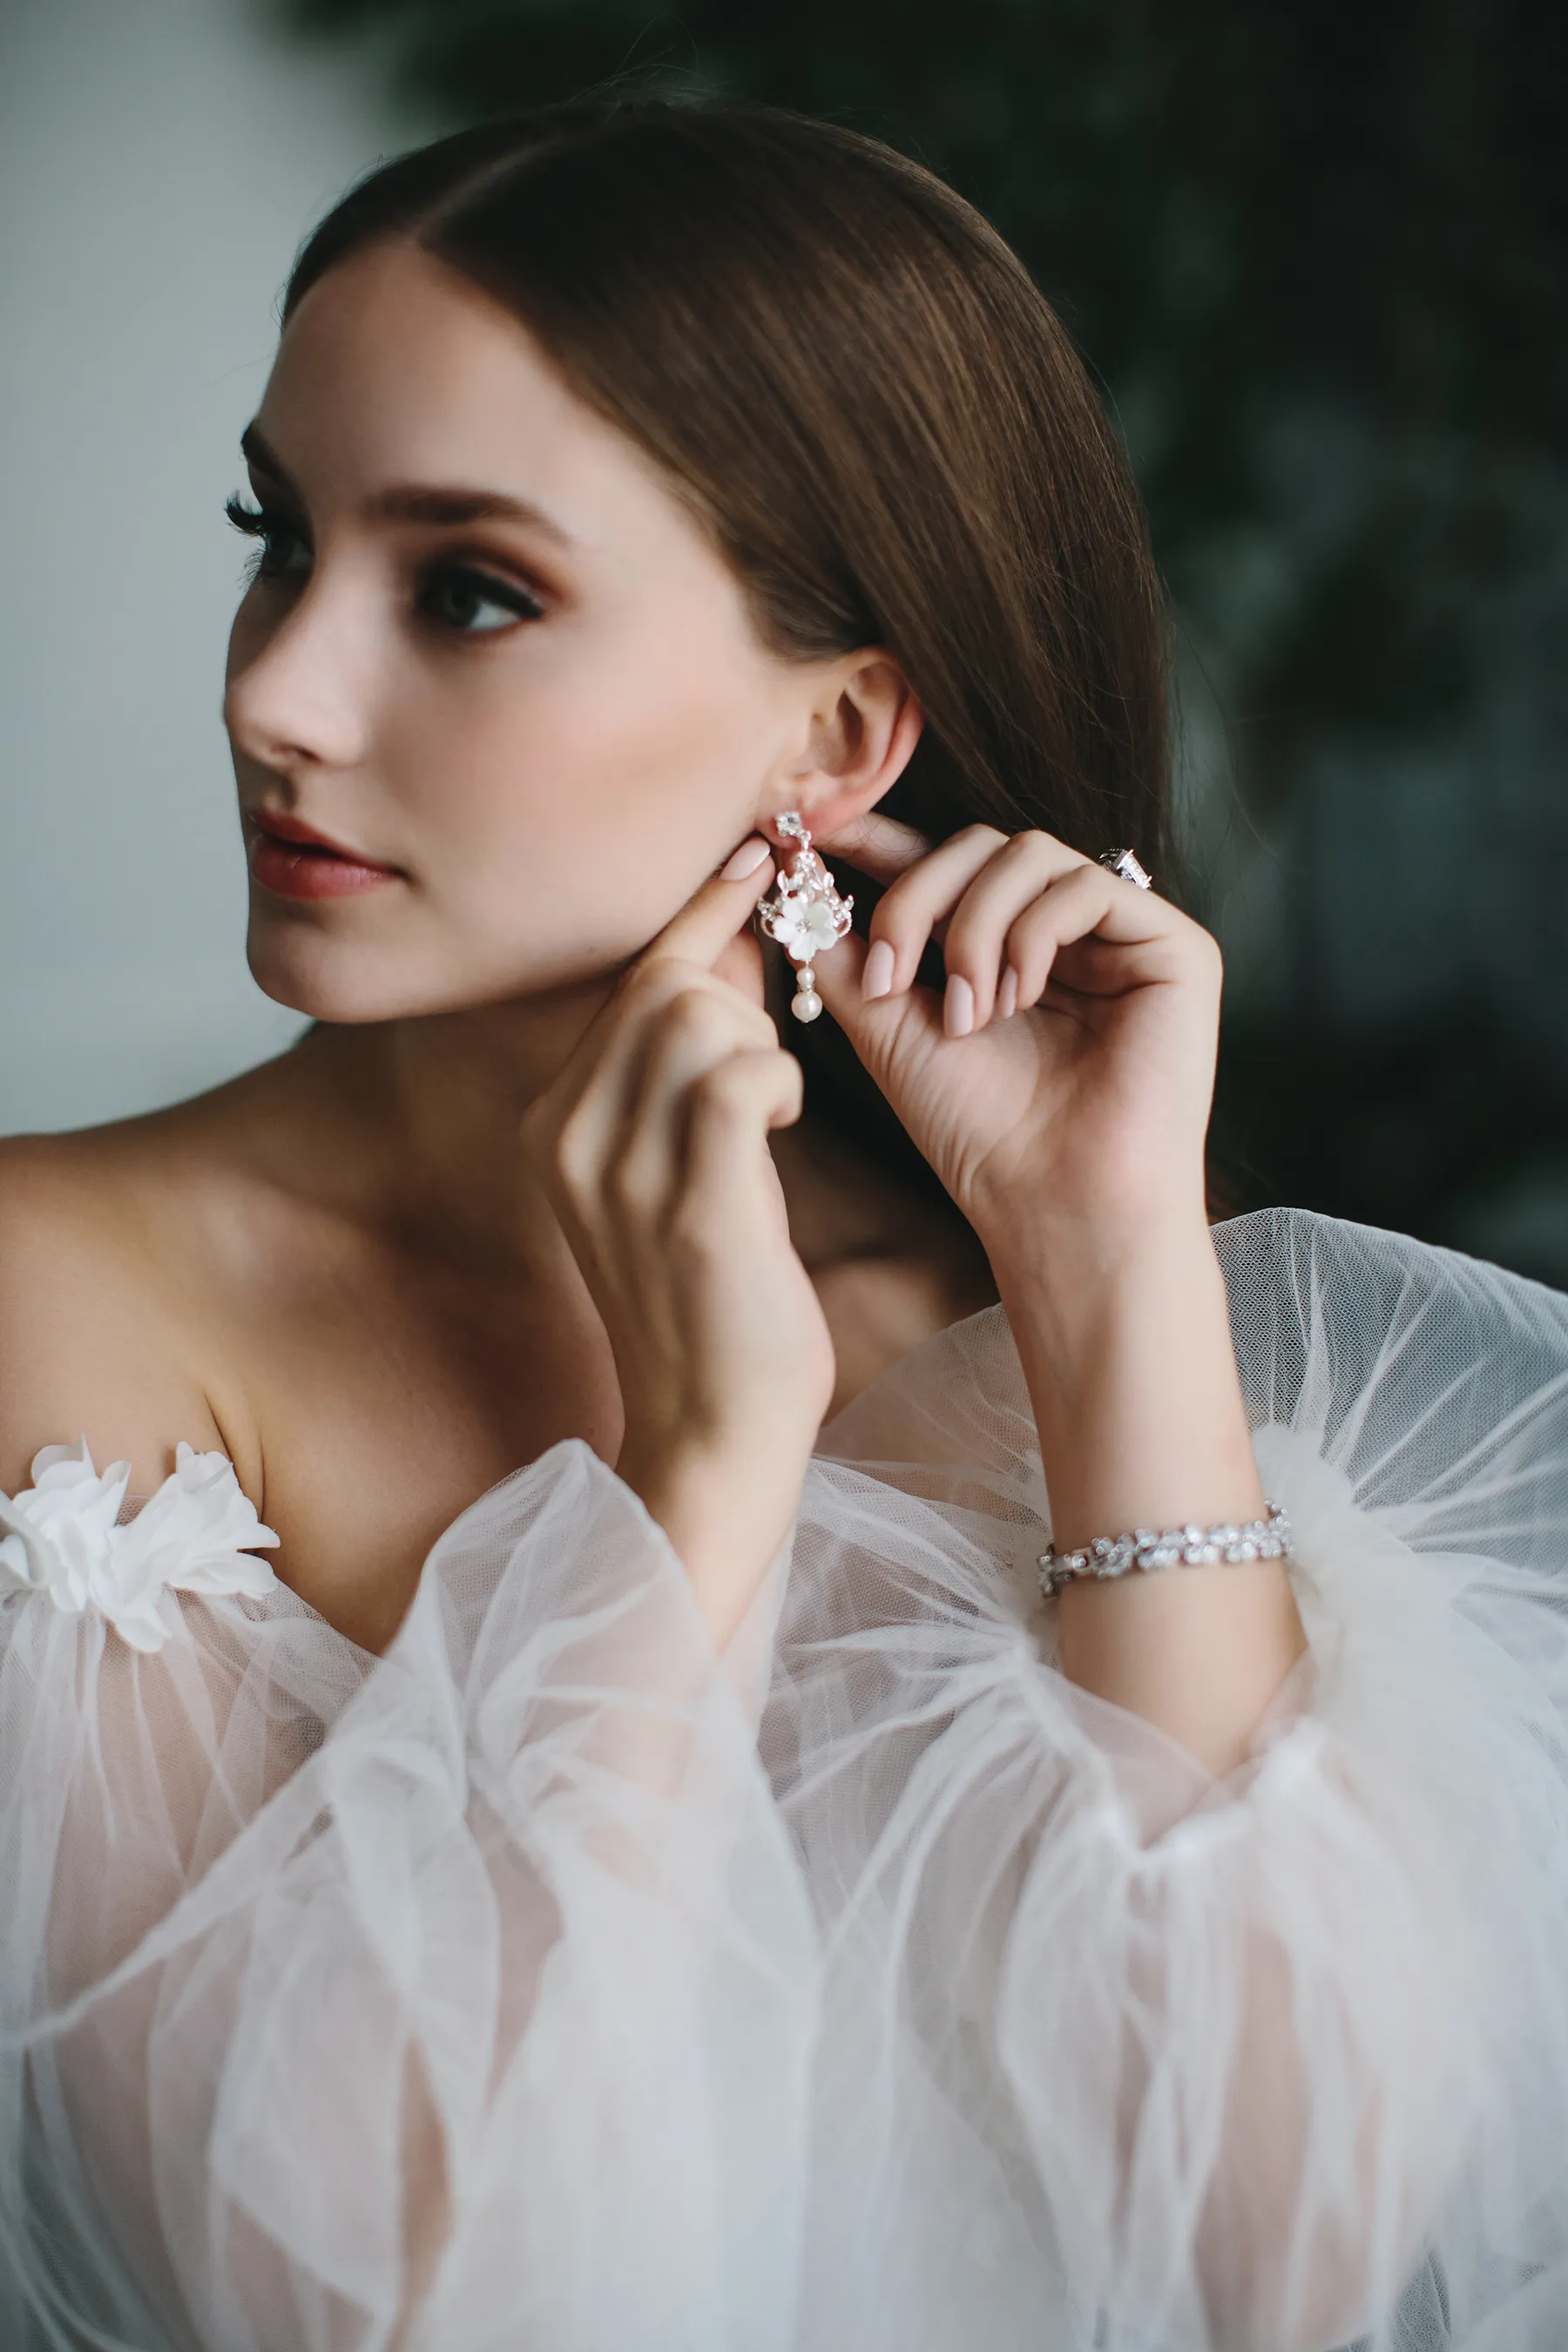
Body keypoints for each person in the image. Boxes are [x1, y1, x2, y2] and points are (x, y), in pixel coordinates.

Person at [1, 101, 1565, 2352]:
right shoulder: (68, 1289)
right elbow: (334, 2293)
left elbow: (1280, 2246)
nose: (273, 691)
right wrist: (700, 1476)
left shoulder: (1014, 1301)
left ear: (837, 730)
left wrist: (1107, 1260)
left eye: (466, 588)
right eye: (280, 537)